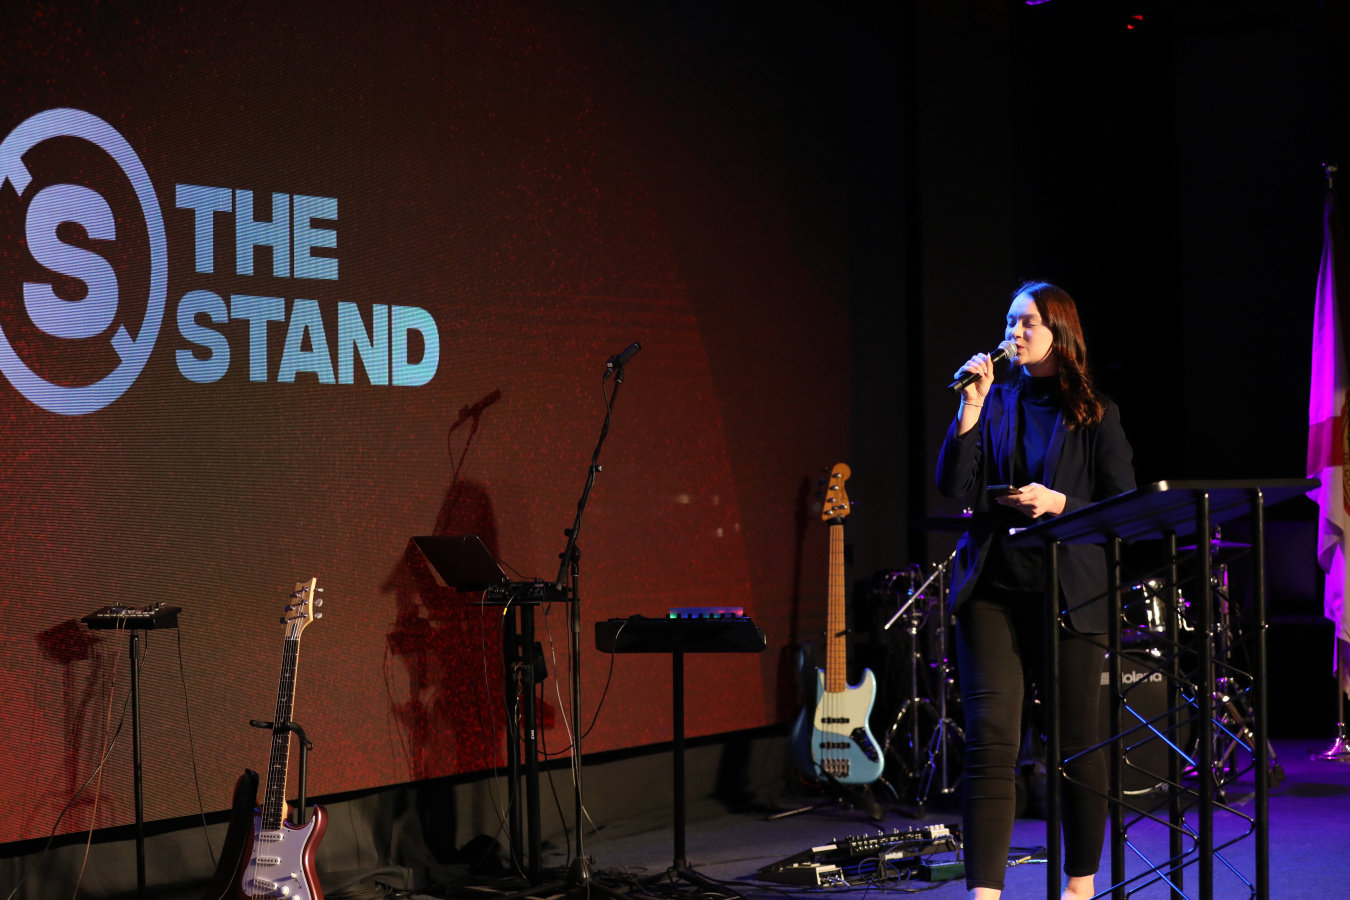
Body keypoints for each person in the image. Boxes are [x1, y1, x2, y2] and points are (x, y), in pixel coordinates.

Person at [935, 282, 1136, 900]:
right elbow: (953, 487)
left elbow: (1123, 510)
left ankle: (1079, 886)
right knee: (991, 742)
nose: (1013, 334)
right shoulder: (993, 400)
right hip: (992, 589)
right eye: (1009, 322)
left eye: (1026, 324)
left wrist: (1059, 504)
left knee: (1076, 744)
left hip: (1070, 594)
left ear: (1059, 333)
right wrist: (969, 409)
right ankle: (984, 893)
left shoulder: (1095, 412)